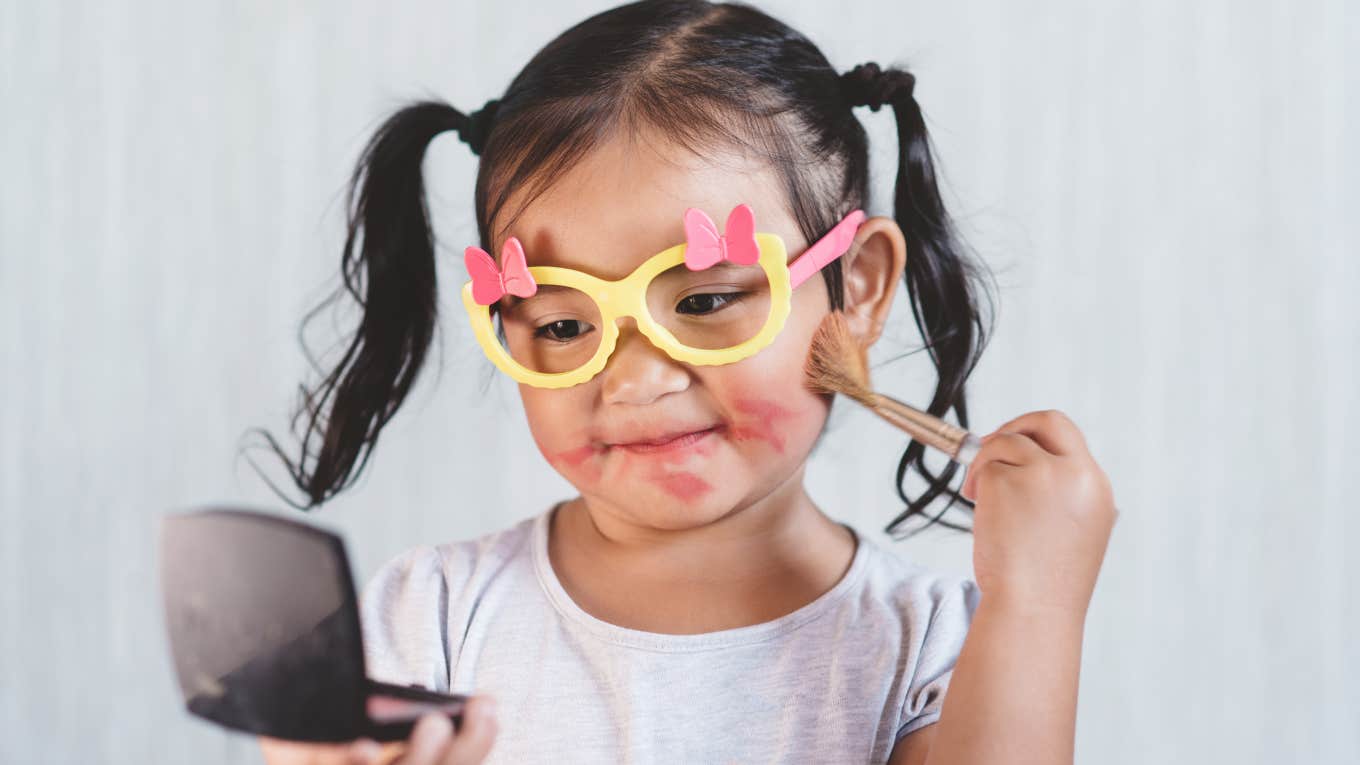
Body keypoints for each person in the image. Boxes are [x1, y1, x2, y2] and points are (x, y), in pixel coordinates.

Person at [252, 1, 1117, 762]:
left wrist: (1036, 606)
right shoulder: (427, 623)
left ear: (856, 289)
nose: (634, 378)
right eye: (562, 323)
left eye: (704, 298)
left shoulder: (935, 649)